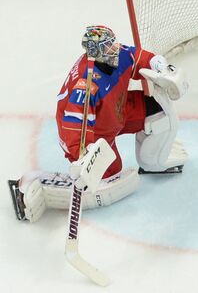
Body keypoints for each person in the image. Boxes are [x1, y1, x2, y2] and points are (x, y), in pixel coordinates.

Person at [8, 25, 188, 222]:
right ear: (96, 53)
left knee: (159, 112)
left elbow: (137, 57)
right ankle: (37, 182)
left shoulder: (119, 55)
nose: (114, 49)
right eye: (108, 47)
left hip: (117, 109)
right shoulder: (85, 88)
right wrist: (83, 157)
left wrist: (158, 65)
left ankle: (152, 161)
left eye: (113, 43)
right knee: (107, 180)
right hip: (93, 135)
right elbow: (73, 127)